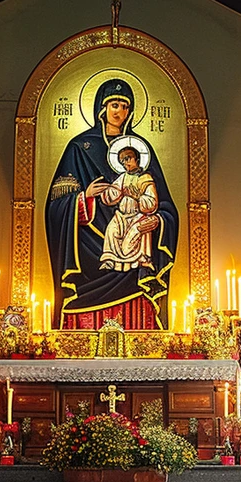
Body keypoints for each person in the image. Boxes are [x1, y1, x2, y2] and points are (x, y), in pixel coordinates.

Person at [45, 78, 178, 330]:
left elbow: (166, 206)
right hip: (88, 257)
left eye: (125, 106)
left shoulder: (142, 151)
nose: (120, 112)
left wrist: (158, 220)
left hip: (136, 251)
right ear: (102, 108)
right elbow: (55, 208)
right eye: (114, 104)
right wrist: (84, 197)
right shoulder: (79, 148)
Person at [99, 142, 160, 272]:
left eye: (127, 159)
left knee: (129, 243)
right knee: (111, 229)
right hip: (122, 216)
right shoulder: (123, 177)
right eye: (122, 161)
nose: (125, 163)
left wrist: (137, 197)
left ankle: (139, 260)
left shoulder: (145, 178)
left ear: (136, 159)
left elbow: (152, 202)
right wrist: (108, 191)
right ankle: (110, 260)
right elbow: (112, 194)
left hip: (138, 216)